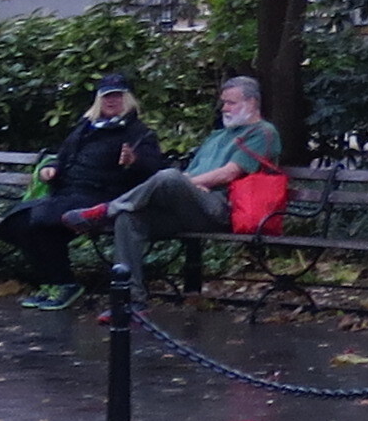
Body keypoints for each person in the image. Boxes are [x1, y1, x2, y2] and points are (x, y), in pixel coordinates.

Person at [71, 75, 288, 283]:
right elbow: (189, 174)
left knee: (169, 176)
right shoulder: (218, 135)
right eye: (223, 103)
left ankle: (107, 210)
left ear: (252, 102)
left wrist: (189, 184)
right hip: (192, 208)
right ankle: (129, 298)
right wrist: (189, 184)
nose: (224, 108)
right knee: (128, 219)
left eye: (230, 103)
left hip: (222, 209)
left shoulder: (263, 132)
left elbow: (229, 173)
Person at [0, 75, 164, 307]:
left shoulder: (138, 133)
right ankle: (55, 283)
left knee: (41, 218)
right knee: (19, 222)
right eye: (106, 96)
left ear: (127, 99)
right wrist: (50, 169)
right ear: (98, 99)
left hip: (102, 198)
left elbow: (154, 170)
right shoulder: (84, 128)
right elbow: (61, 157)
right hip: (67, 194)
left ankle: (64, 284)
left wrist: (133, 161)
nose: (111, 100)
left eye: (117, 95)